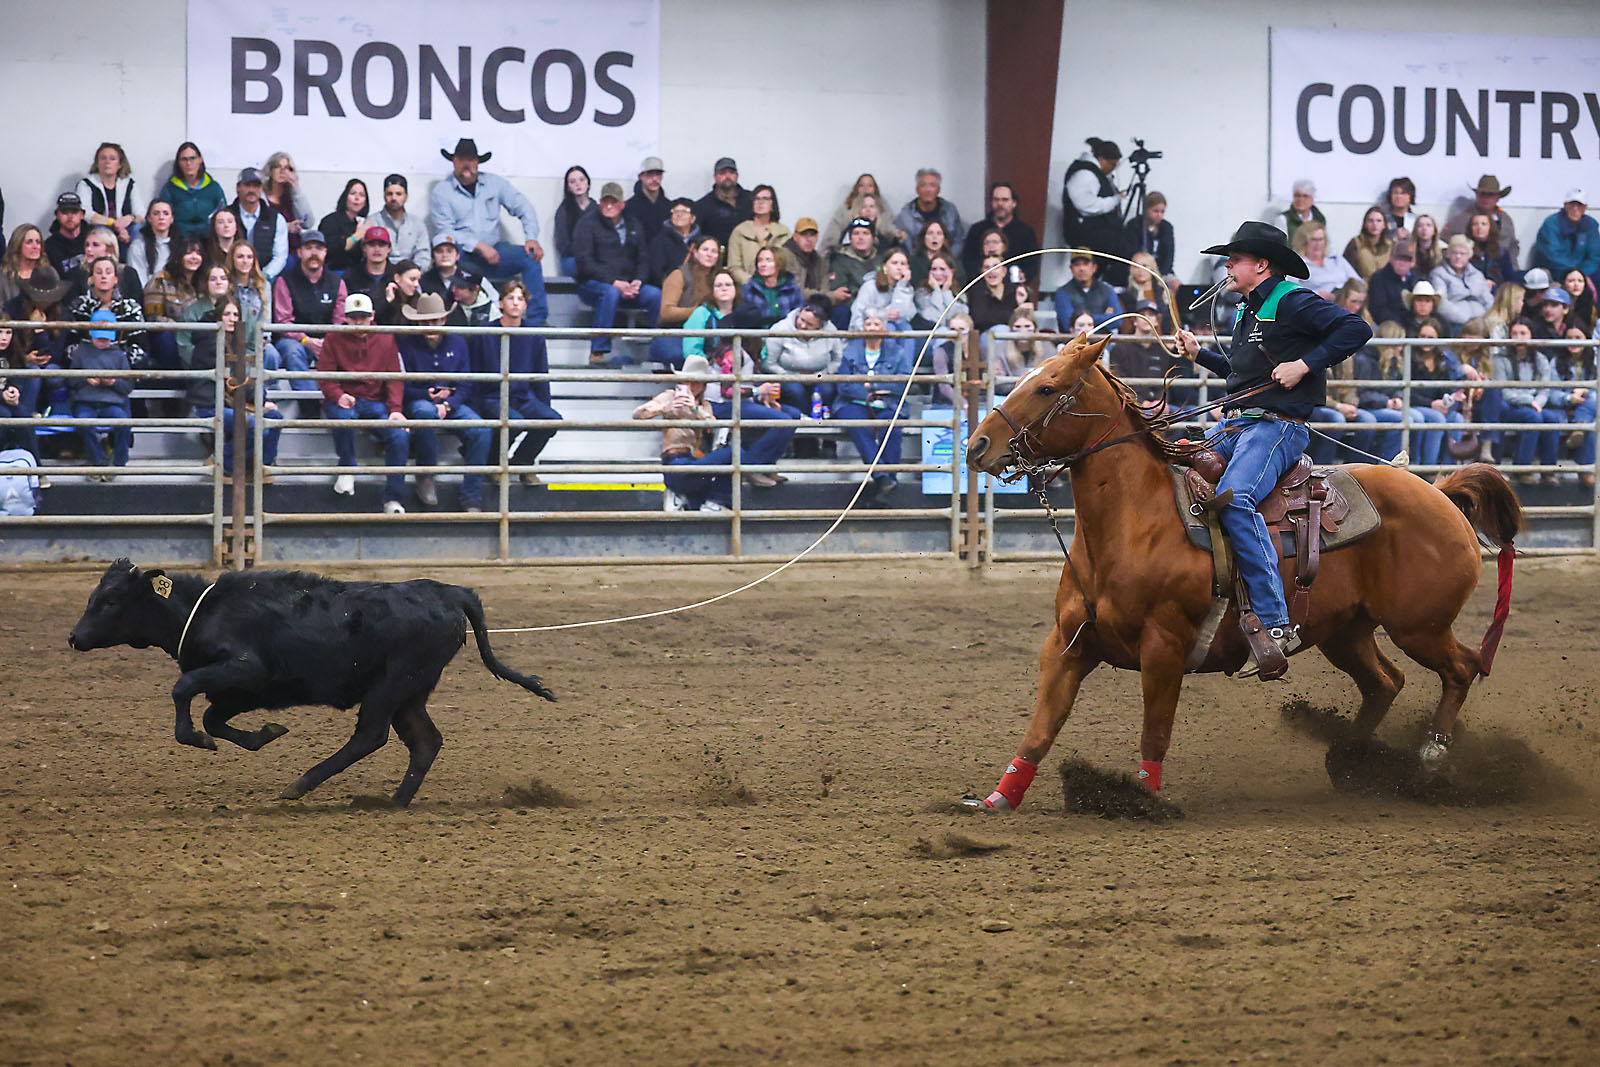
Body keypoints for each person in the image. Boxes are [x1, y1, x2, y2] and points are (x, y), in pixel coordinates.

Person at [1174, 221, 1372, 678]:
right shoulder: (1247, 311)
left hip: (1276, 428)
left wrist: (1305, 364)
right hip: (1240, 425)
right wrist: (1199, 354)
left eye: (1234, 259)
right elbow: (1244, 376)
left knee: (1236, 500)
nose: (1226, 266)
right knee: (1172, 464)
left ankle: (1277, 624)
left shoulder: (1292, 299)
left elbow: (1355, 328)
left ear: (1261, 265)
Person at [428, 138, 549, 326]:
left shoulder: (495, 183)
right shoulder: (441, 192)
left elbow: (523, 206)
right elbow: (446, 231)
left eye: (471, 159)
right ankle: (453, 319)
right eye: (462, 159)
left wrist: (531, 237)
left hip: (495, 252)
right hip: (464, 257)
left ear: (477, 162)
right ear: (454, 162)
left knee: (530, 257)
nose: (467, 164)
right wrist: (477, 245)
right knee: (448, 258)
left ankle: (536, 322)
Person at [396, 292, 491, 511]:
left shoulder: (458, 342)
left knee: (482, 430)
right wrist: (425, 395)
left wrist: (449, 403)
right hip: (420, 399)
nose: (431, 326)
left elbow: (468, 382)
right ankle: (426, 475)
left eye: (436, 320)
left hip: (451, 401)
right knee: (424, 412)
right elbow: (399, 385)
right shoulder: (405, 344)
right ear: (418, 322)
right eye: (426, 321)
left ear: (444, 320)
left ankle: (471, 495)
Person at [317, 291, 410, 512]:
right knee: (343, 417)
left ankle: (392, 498)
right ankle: (347, 466)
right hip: (344, 399)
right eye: (354, 317)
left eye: (363, 317)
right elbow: (324, 376)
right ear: (346, 317)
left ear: (372, 316)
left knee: (399, 435)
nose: (358, 322)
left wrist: (396, 409)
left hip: (374, 402)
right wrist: (338, 395)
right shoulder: (333, 337)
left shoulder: (386, 338)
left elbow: (394, 377)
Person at [468, 281, 560, 484]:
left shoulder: (534, 335)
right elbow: (473, 372)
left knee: (551, 420)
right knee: (513, 423)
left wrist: (545, 405)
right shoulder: (485, 333)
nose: (516, 303)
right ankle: (494, 465)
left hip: (522, 396)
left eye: (520, 299)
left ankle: (522, 464)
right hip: (493, 396)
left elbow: (541, 374)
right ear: (501, 303)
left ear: (526, 304)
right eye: (510, 298)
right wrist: (475, 406)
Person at [185, 295, 282, 480]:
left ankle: (261, 467)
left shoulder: (236, 341)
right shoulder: (209, 343)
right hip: (211, 405)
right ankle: (221, 463)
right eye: (227, 314)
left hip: (234, 403)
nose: (232, 319)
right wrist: (260, 400)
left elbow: (244, 381)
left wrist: (261, 399)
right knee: (254, 425)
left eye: (236, 314)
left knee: (275, 419)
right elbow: (235, 383)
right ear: (218, 317)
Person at [572, 181, 663, 367]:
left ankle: (660, 348)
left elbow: (643, 258)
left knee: (655, 295)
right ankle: (599, 350)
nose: (609, 206)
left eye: (613, 202)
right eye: (605, 201)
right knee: (609, 292)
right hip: (593, 285)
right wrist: (614, 282)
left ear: (623, 204)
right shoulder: (587, 224)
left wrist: (638, 281)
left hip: (629, 285)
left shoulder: (634, 224)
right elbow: (584, 263)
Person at [832, 311, 914, 505]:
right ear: (862, 328)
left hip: (889, 403)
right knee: (858, 423)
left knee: (891, 427)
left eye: (877, 324)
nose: (872, 328)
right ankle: (882, 476)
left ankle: (887, 480)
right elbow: (844, 385)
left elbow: (903, 383)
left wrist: (872, 387)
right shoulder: (849, 351)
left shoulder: (897, 352)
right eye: (868, 324)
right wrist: (870, 393)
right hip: (853, 402)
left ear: (884, 328)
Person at [631, 354, 731, 512]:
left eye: (697, 382)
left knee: (697, 507)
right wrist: (663, 408)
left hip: (695, 463)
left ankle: (688, 496)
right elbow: (638, 414)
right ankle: (713, 501)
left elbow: (712, 425)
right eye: (688, 381)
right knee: (731, 453)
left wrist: (695, 409)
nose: (692, 385)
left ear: (704, 385)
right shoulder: (670, 396)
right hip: (675, 461)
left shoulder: (704, 406)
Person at [271, 229, 347, 382]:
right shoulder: (285, 281)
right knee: (292, 350)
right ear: (299, 252)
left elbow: (341, 321)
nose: (314, 253)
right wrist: (306, 341)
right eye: (308, 248)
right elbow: (283, 322)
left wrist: (328, 341)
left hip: (328, 340)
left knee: (344, 348)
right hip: (297, 341)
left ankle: (337, 399)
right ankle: (309, 403)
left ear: (325, 252)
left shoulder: (337, 282)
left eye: (318, 248)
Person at [69, 310, 135, 479]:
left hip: (112, 402)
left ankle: (119, 463)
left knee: (123, 423)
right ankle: (98, 460)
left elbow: (128, 386)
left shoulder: (120, 355)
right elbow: (69, 380)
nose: (102, 342)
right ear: (91, 334)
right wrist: (84, 379)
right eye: (99, 338)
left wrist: (113, 382)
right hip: (86, 401)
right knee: (84, 422)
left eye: (106, 338)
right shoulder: (81, 352)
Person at [1494, 319, 1560, 484]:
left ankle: (1548, 470)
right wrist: (1529, 401)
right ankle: (1522, 468)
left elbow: (1545, 389)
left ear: (1531, 335)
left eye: (1523, 333)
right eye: (1515, 333)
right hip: (1510, 405)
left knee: (1553, 419)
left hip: (1534, 405)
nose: (1518, 337)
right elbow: (1503, 391)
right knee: (1534, 418)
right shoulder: (1501, 358)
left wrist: (1537, 403)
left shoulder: (1540, 359)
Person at [651, 234, 720, 368]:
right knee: (683, 355)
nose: (709, 255)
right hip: (674, 333)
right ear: (695, 253)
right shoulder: (679, 275)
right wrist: (699, 312)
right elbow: (666, 312)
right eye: (705, 250)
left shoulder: (720, 278)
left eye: (714, 251)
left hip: (709, 333)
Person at [67, 255, 148, 369]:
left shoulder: (131, 308)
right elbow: (71, 346)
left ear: (115, 279)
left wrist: (117, 366)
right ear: (91, 279)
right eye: (99, 272)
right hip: (86, 370)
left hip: (121, 370)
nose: (103, 276)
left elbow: (140, 347)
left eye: (108, 272)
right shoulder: (79, 306)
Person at [765, 298, 842, 413]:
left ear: (820, 326)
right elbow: (769, 363)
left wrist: (820, 375)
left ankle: (823, 421)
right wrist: (791, 376)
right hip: (787, 375)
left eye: (809, 324)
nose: (802, 325)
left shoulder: (831, 331)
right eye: (801, 319)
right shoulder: (780, 329)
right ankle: (802, 421)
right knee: (796, 391)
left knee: (827, 390)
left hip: (820, 375)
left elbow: (837, 359)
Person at [913, 254, 972, 404]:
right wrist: (939, 292)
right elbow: (939, 318)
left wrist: (946, 292)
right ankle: (943, 386)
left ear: (952, 272)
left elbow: (959, 318)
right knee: (944, 331)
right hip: (928, 345)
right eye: (934, 269)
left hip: (950, 344)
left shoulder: (961, 294)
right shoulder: (921, 293)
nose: (938, 274)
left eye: (942, 269)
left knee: (950, 331)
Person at [142, 237, 205, 370]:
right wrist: (181, 329)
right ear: (179, 255)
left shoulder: (205, 282)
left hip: (197, 336)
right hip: (170, 335)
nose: (194, 257)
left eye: (198, 253)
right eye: (189, 253)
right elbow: (152, 318)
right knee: (165, 338)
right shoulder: (161, 280)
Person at [76, 143, 145, 256]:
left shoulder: (129, 184)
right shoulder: (86, 184)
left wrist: (129, 218)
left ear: (120, 164)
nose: (107, 162)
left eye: (112, 159)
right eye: (103, 158)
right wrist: (113, 223)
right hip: (99, 227)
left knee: (137, 228)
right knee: (101, 230)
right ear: (97, 163)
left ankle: (132, 267)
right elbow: (85, 213)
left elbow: (141, 213)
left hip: (125, 230)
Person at [962, 182, 1038, 283]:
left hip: (1014, 287)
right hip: (982, 287)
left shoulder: (1026, 232)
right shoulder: (977, 230)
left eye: (1005, 200)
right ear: (991, 203)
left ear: (1014, 203)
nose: (1000, 204)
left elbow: (1032, 265)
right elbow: (968, 261)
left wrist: (1024, 276)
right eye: (996, 200)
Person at [1550, 331, 1598, 487]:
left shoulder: (1594, 362)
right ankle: (1585, 470)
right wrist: (1569, 397)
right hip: (1562, 406)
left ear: (1587, 340)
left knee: (1591, 408)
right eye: (1569, 338)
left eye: (1578, 338)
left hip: (1587, 405)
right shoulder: (1556, 361)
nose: (1573, 342)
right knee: (1590, 421)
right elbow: (1551, 393)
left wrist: (1585, 390)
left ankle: (1580, 427)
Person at [1061, 138, 1122, 256]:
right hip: (1087, 238)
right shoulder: (1085, 174)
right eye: (1113, 164)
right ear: (1102, 160)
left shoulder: (1093, 173)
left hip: (1096, 238)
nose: (1113, 169)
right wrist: (1114, 200)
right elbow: (1086, 205)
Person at [1445, 175, 1519, 263]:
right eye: (1482, 194)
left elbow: (1513, 245)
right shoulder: (1462, 219)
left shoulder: (1505, 220)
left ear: (1497, 198)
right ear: (1477, 195)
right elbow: (1445, 240)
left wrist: (1512, 267)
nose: (1486, 198)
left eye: (1490, 195)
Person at [821, 174, 904, 252]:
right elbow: (832, 235)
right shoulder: (846, 209)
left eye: (870, 186)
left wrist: (896, 235)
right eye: (862, 185)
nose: (866, 189)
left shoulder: (883, 210)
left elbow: (889, 229)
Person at [824, 219, 883, 329]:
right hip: (852, 308)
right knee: (840, 312)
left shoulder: (882, 259)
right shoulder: (839, 260)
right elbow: (841, 293)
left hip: (880, 308)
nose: (860, 237)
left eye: (865, 233)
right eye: (856, 233)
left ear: (873, 238)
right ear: (850, 238)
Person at [727, 185, 790, 286]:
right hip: (747, 288)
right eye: (757, 199)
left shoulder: (783, 232)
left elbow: (789, 265)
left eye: (765, 198)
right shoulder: (740, 231)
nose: (760, 202)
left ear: (772, 204)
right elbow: (734, 267)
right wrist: (753, 283)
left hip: (778, 287)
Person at [1533, 189, 1600, 285]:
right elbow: (1552, 255)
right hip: (1556, 270)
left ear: (1585, 208)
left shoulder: (1590, 225)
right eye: (1572, 204)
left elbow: (1594, 256)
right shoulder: (1551, 224)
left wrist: (1582, 273)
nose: (1575, 208)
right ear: (1565, 205)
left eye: (1579, 205)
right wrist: (1574, 273)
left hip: (1583, 271)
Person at [0, 326, 42, 476]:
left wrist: (14, 389)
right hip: (2, 400)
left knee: (24, 416)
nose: (4, 337)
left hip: (7, 399)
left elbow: (16, 376)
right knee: (4, 416)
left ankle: (36, 469)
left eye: (8, 332)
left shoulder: (14, 351)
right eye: (0, 332)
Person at [894, 168, 964, 258]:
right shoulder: (906, 214)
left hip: (947, 261)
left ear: (938, 190)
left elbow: (959, 240)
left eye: (932, 185)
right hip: (916, 262)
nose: (928, 190)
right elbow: (906, 246)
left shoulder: (950, 210)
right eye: (923, 185)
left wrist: (947, 259)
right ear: (917, 190)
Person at [163, 142, 226, 240]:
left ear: (200, 160)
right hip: (180, 239)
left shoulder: (213, 187)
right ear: (178, 163)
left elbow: (223, 212)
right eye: (184, 159)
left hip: (210, 239)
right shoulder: (170, 188)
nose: (188, 163)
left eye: (192, 158)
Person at [1430, 235, 1493, 330]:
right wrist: (1467, 321)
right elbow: (1441, 303)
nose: (1458, 256)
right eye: (1454, 253)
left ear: (1469, 255)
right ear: (1448, 254)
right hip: (1455, 323)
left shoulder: (1477, 275)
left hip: (1481, 322)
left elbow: (1488, 301)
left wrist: (1487, 320)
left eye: (1462, 253)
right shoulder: (1438, 274)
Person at [65, 228, 141, 304]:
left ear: (110, 250)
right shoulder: (75, 274)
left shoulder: (128, 273)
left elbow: (137, 305)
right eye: (87, 245)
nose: (88, 249)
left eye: (95, 245)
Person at [262, 152, 315, 259]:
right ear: (270, 171)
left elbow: (308, 223)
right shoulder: (262, 196)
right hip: (270, 252)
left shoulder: (293, 196)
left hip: (294, 251)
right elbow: (261, 226)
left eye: (287, 168)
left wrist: (296, 190)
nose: (282, 171)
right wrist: (286, 227)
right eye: (278, 167)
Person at [372, 174, 429, 268]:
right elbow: (369, 254)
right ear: (384, 196)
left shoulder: (417, 224)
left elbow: (423, 255)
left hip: (411, 276)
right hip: (381, 276)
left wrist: (412, 274)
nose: (394, 198)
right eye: (389, 194)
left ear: (406, 196)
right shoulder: (373, 221)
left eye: (398, 194)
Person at [851, 247, 916, 330]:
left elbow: (904, 315)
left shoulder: (906, 288)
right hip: (866, 332)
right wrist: (882, 316)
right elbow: (858, 315)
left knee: (906, 328)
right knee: (890, 328)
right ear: (885, 267)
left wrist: (902, 286)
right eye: (894, 263)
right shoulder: (870, 286)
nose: (899, 267)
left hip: (897, 328)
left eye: (903, 264)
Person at [694, 157, 754, 246]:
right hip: (718, 256)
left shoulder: (751, 199)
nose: (727, 176)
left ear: (737, 175)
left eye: (731, 172)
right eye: (722, 173)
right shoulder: (703, 205)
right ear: (715, 177)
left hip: (750, 254)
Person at [1054, 251, 1122, 328]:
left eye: (1085, 264)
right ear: (1071, 269)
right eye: (1077, 265)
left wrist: (1080, 321)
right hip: (1074, 339)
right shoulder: (1063, 292)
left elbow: (1117, 320)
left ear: (1094, 267)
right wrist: (1103, 317)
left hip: (1102, 339)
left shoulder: (1107, 290)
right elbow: (1067, 323)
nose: (1081, 268)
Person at [318, 178, 372, 274]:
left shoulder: (364, 223)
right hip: (333, 272)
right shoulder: (330, 221)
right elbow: (332, 251)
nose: (357, 198)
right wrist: (358, 235)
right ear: (345, 197)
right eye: (353, 193)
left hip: (359, 274)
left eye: (362, 195)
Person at [969, 253, 1031, 337]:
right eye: (987, 267)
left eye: (996, 266)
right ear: (982, 272)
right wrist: (1015, 311)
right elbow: (980, 320)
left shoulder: (1015, 291)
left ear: (1004, 271)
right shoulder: (977, 292)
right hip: (987, 337)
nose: (991, 270)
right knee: (1002, 329)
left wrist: (1021, 303)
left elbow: (1027, 320)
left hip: (1014, 336)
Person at [742, 247, 804, 328]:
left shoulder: (792, 289)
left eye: (768, 260)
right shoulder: (749, 289)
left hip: (786, 336)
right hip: (757, 337)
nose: (763, 264)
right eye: (760, 260)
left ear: (779, 264)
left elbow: (798, 318)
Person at [1292, 223, 1358, 299]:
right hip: (1318, 304)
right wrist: (1317, 295)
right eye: (1314, 240)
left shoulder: (1336, 259)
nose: (1318, 244)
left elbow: (1358, 282)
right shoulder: (1298, 264)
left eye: (1321, 239)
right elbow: (1293, 292)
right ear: (1304, 242)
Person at [552, 165, 596, 278]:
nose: (578, 184)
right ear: (568, 187)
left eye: (581, 180)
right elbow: (563, 245)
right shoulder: (564, 211)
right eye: (572, 181)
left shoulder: (597, 209)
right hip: (573, 259)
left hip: (595, 257)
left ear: (588, 183)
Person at [647, 197, 699, 287]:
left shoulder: (700, 241)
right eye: (675, 211)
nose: (679, 215)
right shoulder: (660, 241)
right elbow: (656, 272)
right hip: (669, 286)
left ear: (693, 218)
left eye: (684, 212)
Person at [992, 307, 1050, 389]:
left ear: (1035, 328)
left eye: (1027, 326)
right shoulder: (1000, 349)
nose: (1022, 331)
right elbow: (997, 385)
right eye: (1017, 327)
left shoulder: (1047, 348)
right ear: (1011, 329)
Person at [1121, 191, 1174, 280]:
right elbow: (1132, 253)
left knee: (1176, 285)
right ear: (1146, 209)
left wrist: (1161, 273)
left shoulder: (1166, 227)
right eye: (1155, 211)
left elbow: (1169, 255)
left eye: (1162, 212)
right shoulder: (1134, 225)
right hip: (1140, 270)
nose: (1159, 215)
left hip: (1161, 272)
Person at [1368, 237, 1418, 328]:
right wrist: (1402, 325)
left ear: (1412, 263)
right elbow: (1378, 309)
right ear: (1391, 259)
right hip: (1388, 326)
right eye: (1399, 258)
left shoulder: (1417, 279)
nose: (1402, 263)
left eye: (1407, 259)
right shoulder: (1379, 278)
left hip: (1413, 325)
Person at [129, 201, 176, 287]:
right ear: (149, 218)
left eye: (166, 213)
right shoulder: (138, 246)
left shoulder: (180, 245)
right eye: (156, 213)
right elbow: (138, 280)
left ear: (172, 219)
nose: (161, 217)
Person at [0, 224, 48, 309]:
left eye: (38, 242)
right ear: (17, 245)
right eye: (29, 242)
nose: (35, 246)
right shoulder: (3, 277)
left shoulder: (48, 275)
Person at [1465, 212, 1517, 288]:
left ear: (1490, 227)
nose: (1479, 227)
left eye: (1484, 224)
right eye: (1475, 224)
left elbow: (1509, 278)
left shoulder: (1501, 252)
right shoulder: (1464, 250)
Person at [1342, 206, 1393, 282]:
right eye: (1370, 221)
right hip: (1361, 289)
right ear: (1365, 224)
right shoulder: (1355, 243)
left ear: (1384, 225)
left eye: (1379, 221)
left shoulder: (1390, 246)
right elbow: (1346, 270)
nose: (1375, 225)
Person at [343, 226, 393, 303]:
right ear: (364, 248)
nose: (377, 249)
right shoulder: (350, 276)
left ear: (389, 249)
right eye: (372, 245)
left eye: (381, 245)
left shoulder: (398, 274)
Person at [624, 156, 670, 237]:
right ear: (640, 176)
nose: (655, 179)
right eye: (650, 174)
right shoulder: (629, 207)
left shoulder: (668, 206)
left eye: (658, 174)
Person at [44, 193, 88, 275]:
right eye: (65, 212)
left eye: (74, 212)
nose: (70, 216)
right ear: (57, 215)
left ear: (82, 215)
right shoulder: (49, 246)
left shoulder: (94, 239)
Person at [910, 219, 960, 288]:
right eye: (930, 233)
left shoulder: (954, 262)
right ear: (923, 237)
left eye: (939, 233)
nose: (934, 237)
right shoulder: (913, 262)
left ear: (944, 239)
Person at [376, 259, 425, 327]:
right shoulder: (380, 294)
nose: (416, 284)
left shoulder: (419, 301)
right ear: (397, 278)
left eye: (418, 280)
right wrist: (388, 300)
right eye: (412, 279)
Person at [203, 207, 242, 275]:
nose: (226, 225)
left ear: (236, 226)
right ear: (214, 226)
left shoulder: (243, 250)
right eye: (220, 222)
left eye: (230, 221)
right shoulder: (205, 251)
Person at [1562, 268, 1597, 336]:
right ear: (1563, 283)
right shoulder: (1558, 305)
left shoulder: (1590, 306)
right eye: (1571, 281)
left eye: (1580, 281)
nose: (1576, 284)